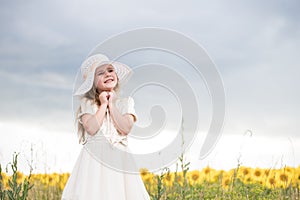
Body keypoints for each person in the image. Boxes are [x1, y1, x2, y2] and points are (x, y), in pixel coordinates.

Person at [62, 54, 150, 200]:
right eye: (100, 73)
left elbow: (125, 128)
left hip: (120, 158)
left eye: (110, 70)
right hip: (94, 160)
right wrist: (103, 105)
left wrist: (112, 104)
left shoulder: (126, 102)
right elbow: (91, 128)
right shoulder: (87, 104)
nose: (107, 74)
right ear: (93, 83)